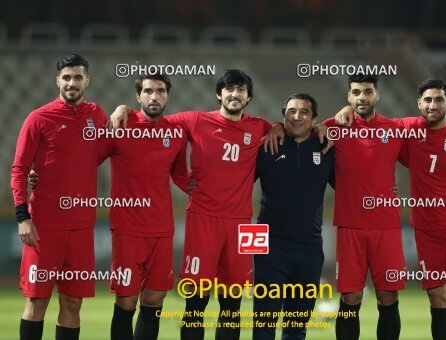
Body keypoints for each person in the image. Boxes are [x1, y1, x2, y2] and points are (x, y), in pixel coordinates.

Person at [109, 69, 275, 340]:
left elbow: (293, 128)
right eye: (229, 89)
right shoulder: (194, 120)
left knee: (233, 304)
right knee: (196, 301)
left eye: (241, 90)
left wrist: (279, 126)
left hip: (244, 223)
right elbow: (152, 115)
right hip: (202, 218)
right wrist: (122, 108)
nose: (235, 94)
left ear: (249, 97)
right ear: (218, 94)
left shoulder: (261, 126)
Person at [336, 79, 446, 340]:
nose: (433, 105)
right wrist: (347, 109)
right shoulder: (406, 129)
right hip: (427, 230)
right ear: (419, 104)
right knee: (440, 299)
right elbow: (370, 117)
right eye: (428, 100)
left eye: (439, 99)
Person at [11, 54, 107, 340]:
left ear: (87, 81)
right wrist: (22, 216)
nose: (72, 82)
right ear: (58, 81)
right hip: (44, 227)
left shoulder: (98, 116)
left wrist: (123, 110)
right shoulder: (39, 118)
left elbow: (99, 155)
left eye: (78, 77)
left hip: (81, 227)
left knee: (73, 304)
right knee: (36, 302)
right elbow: (19, 168)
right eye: (66, 77)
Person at [98, 74, 189, 340]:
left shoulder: (176, 132)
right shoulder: (121, 124)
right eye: (148, 91)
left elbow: (181, 175)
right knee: (126, 301)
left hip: (162, 229)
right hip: (127, 229)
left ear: (167, 96)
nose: (154, 96)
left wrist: (214, 189)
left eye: (160, 91)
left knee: (154, 301)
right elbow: (86, 161)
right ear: (138, 96)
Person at [323, 74, 406, 340]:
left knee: (387, 296)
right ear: (348, 96)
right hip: (350, 225)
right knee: (351, 296)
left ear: (377, 96)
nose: (362, 97)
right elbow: (299, 127)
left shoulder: (396, 130)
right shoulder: (334, 127)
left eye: (368, 92)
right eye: (356, 92)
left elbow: (424, 156)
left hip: (386, 225)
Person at [252, 93, 335, 340]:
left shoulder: (327, 149)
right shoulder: (266, 146)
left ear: (314, 119)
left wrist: (385, 191)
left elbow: (350, 185)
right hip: (269, 247)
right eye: (291, 112)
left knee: (296, 328)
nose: (297, 117)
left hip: (309, 250)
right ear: (283, 116)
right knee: (264, 324)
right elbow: (235, 181)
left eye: (304, 112)